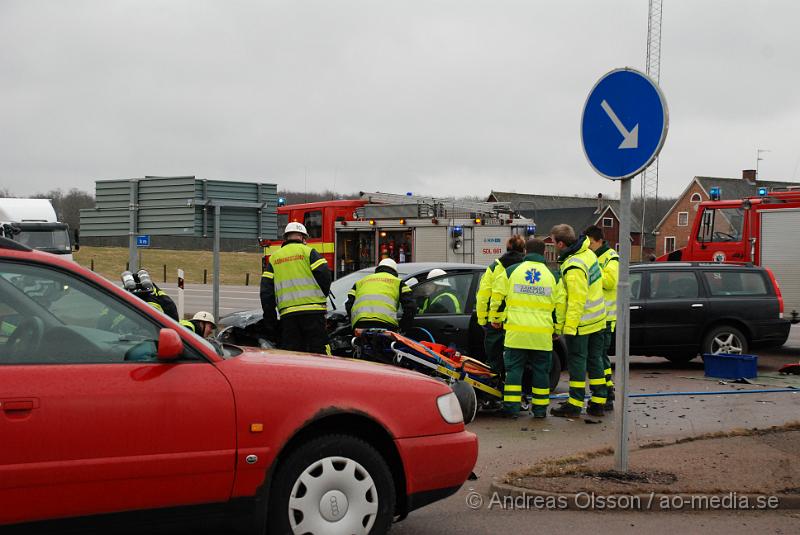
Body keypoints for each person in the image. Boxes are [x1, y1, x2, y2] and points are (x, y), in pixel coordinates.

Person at [490, 238, 563, 419]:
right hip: (542, 335)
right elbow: (560, 305)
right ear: (544, 252)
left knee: (514, 371)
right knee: (541, 372)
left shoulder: (511, 272)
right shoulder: (553, 276)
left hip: (516, 333)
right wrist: (557, 328)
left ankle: (511, 409)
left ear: (525, 251)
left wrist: (495, 318)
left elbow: (497, 296)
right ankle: (539, 411)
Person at [549, 224, 608, 418]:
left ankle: (574, 404)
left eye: (553, 242)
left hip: (582, 323)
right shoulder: (589, 254)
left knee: (577, 363)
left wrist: (569, 328)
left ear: (560, 243)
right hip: (599, 319)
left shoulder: (573, 265)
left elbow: (576, 301)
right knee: (595, 360)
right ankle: (599, 401)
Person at [261, 222, 332, 355]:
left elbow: (266, 293)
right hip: (314, 313)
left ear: (286, 238)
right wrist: (323, 295)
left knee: (292, 356)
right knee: (319, 353)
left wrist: (270, 322)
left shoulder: (275, 258)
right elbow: (324, 275)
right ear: (303, 238)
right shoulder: (309, 252)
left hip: (288, 316)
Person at [475, 234, 526, 373]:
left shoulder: (495, 267)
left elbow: (483, 296)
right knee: (517, 361)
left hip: (495, 323)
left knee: (494, 360)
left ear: (506, 249)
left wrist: (482, 319)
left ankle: (495, 388)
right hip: (519, 320)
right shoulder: (526, 268)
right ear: (524, 250)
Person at [584, 225, 619, 410]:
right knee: (598, 356)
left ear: (598, 240)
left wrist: (593, 269)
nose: (588, 246)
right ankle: (607, 389)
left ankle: (607, 392)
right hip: (596, 316)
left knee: (598, 357)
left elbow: (610, 282)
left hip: (605, 317)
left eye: (590, 242)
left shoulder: (611, 257)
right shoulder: (595, 257)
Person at [346, 258, 416, 332]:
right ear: (395, 272)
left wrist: (353, 322)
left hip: (360, 324)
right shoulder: (398, 283)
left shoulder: (360, 282)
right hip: (386, 325)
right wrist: (403, 327)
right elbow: (410, 307)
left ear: (378, 269)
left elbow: (349, 304)